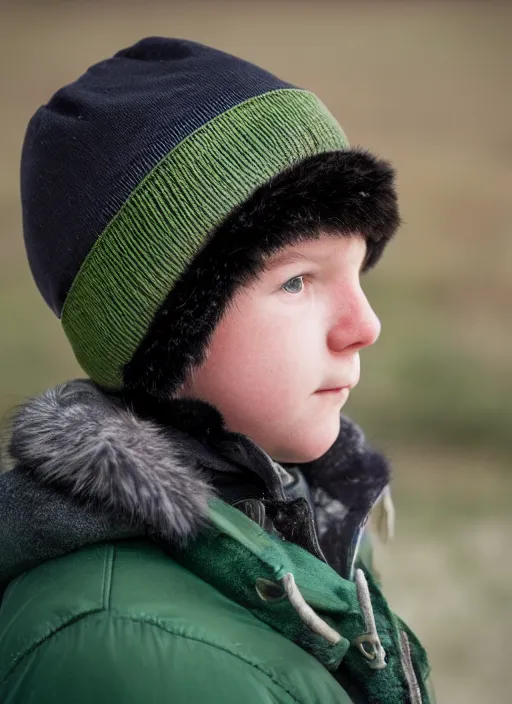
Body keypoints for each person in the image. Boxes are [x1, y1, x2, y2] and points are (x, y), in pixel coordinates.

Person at [0, 37, 432, 703]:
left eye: (355, 269)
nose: (364, 326)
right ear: (165, 333)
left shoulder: (301, 519)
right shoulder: (122, 655)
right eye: (296, 282)